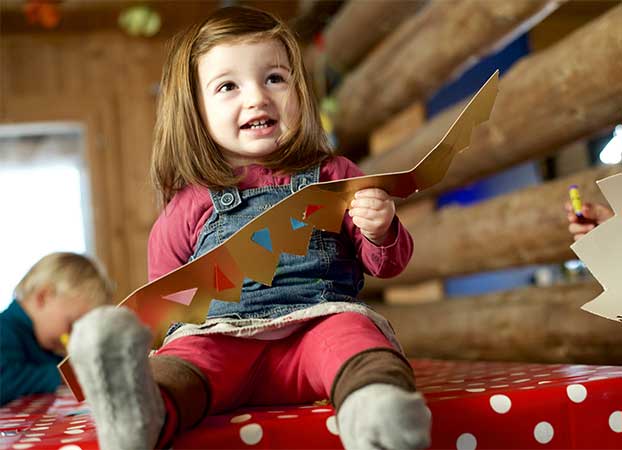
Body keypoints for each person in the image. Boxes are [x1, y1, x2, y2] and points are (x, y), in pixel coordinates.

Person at [68, 6, 431, 450]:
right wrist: (164, 335)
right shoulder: (191, 202)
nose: (257, 97)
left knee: (357, 339)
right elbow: (168, 297)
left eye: (274, 78)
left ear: (298, 90)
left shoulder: (333, 173)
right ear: (197, 111)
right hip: (223, 340)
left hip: (317, 328)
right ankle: (140, 411)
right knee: (186, 357)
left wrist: (381, 229)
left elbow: (388, 264)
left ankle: (377, 414)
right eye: (228, 87)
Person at [0, 252, 113, 406]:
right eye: (72, 325)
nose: (73, 337)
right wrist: (64, 374)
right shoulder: (4, 329)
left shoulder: (41, 341)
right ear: (43, 297)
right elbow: (5, 382)